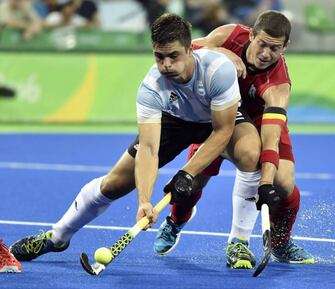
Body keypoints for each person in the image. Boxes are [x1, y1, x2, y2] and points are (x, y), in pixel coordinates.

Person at [9, 13, 241, 262]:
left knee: (250, 156)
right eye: (159, 56)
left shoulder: (217, 71)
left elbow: (222, 131)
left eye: (173, 56)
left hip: (217, 118)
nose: (166, 65)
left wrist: (186, 173)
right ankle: (57, 237)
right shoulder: (152, 86)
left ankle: (241, 241)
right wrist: (144, 200)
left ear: (190, 49)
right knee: (113, 184)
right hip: (175, 120)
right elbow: (149, 149)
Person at [153, 10, 315, 269]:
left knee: (283, 182)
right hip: (218, 113)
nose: (265, 54)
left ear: (285, 47)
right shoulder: (231, 35)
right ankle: (175, 221)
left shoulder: (278, 87)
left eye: (275, 49)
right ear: (251, 35)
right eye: (261, 44)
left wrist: (266, 184)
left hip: (260, 120)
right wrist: (224, 53)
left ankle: (277, 243)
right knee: (193, 182)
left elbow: (271, 141)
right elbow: (186, 50)